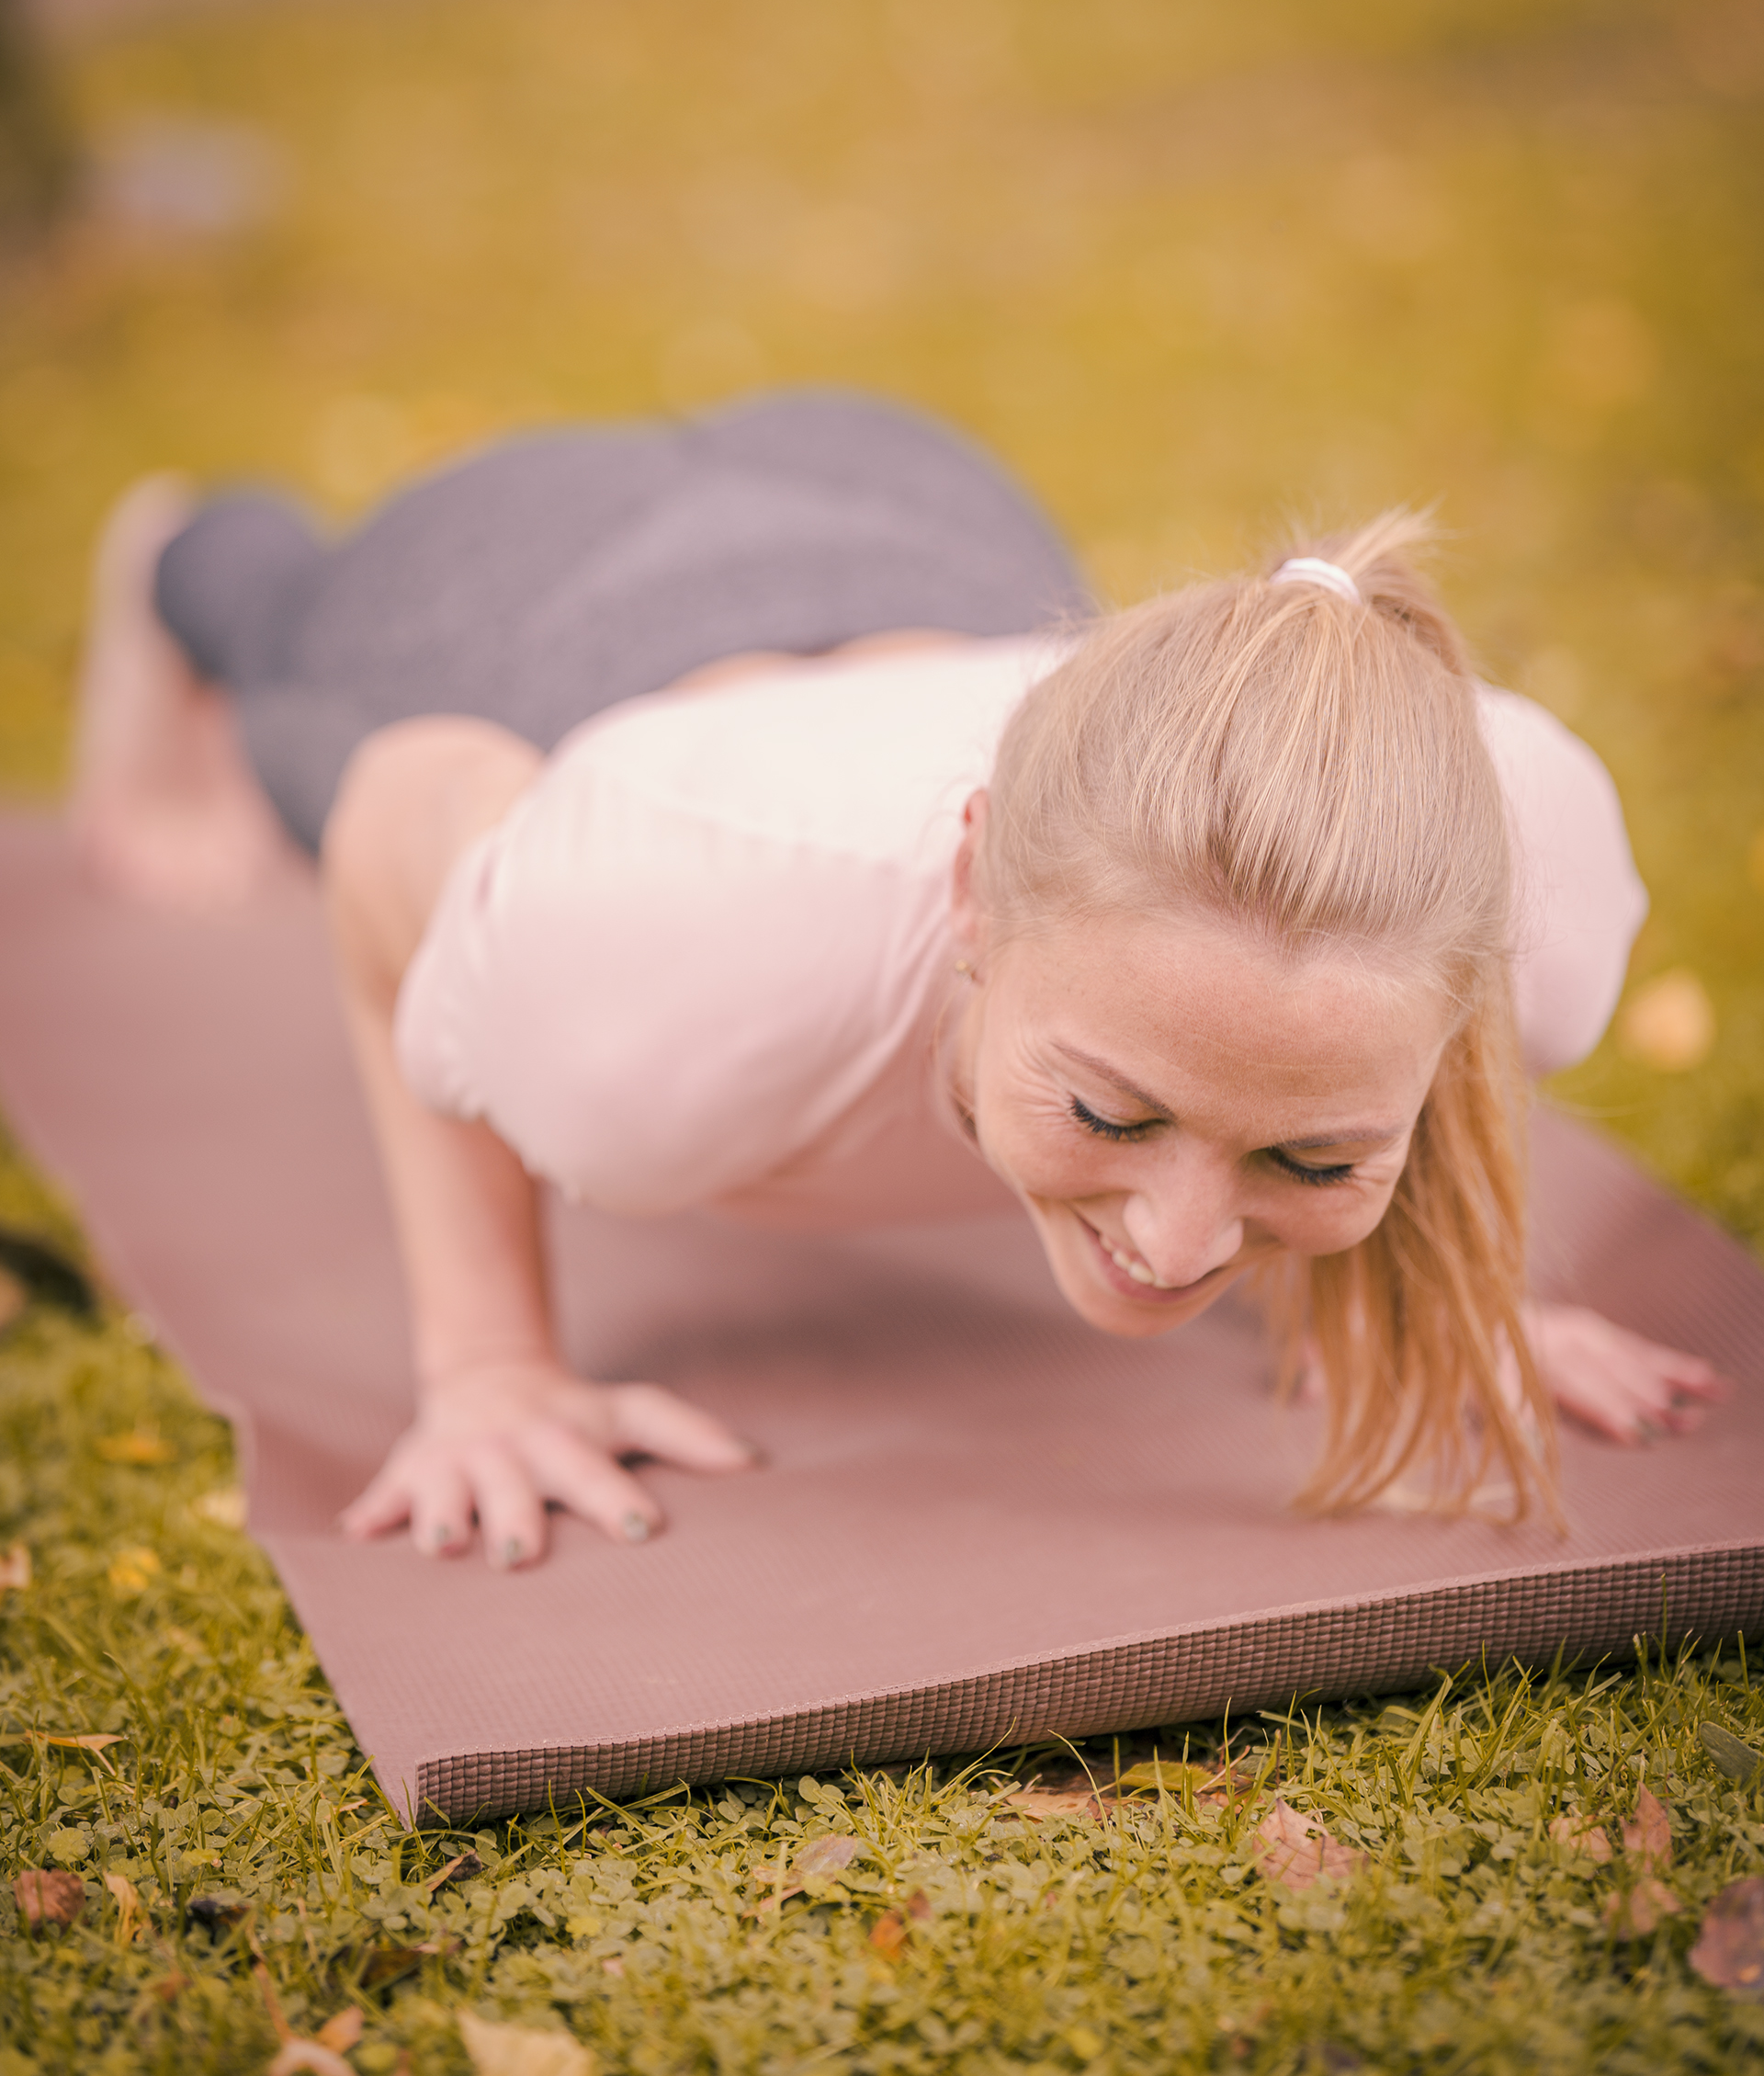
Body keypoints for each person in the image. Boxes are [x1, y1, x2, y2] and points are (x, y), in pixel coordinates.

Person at [69, 390, 1725, 1568]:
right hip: (530, 597)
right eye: (1111, 1112)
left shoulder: (1524, 894)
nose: (1176, 1250)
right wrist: (491, 1369)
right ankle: (178, 555)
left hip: (916, 512)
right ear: (972, 892)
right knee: (282, 649)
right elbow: (386, 829)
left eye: (1311, 1155)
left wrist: (1448, 1292)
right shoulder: (635, 962)